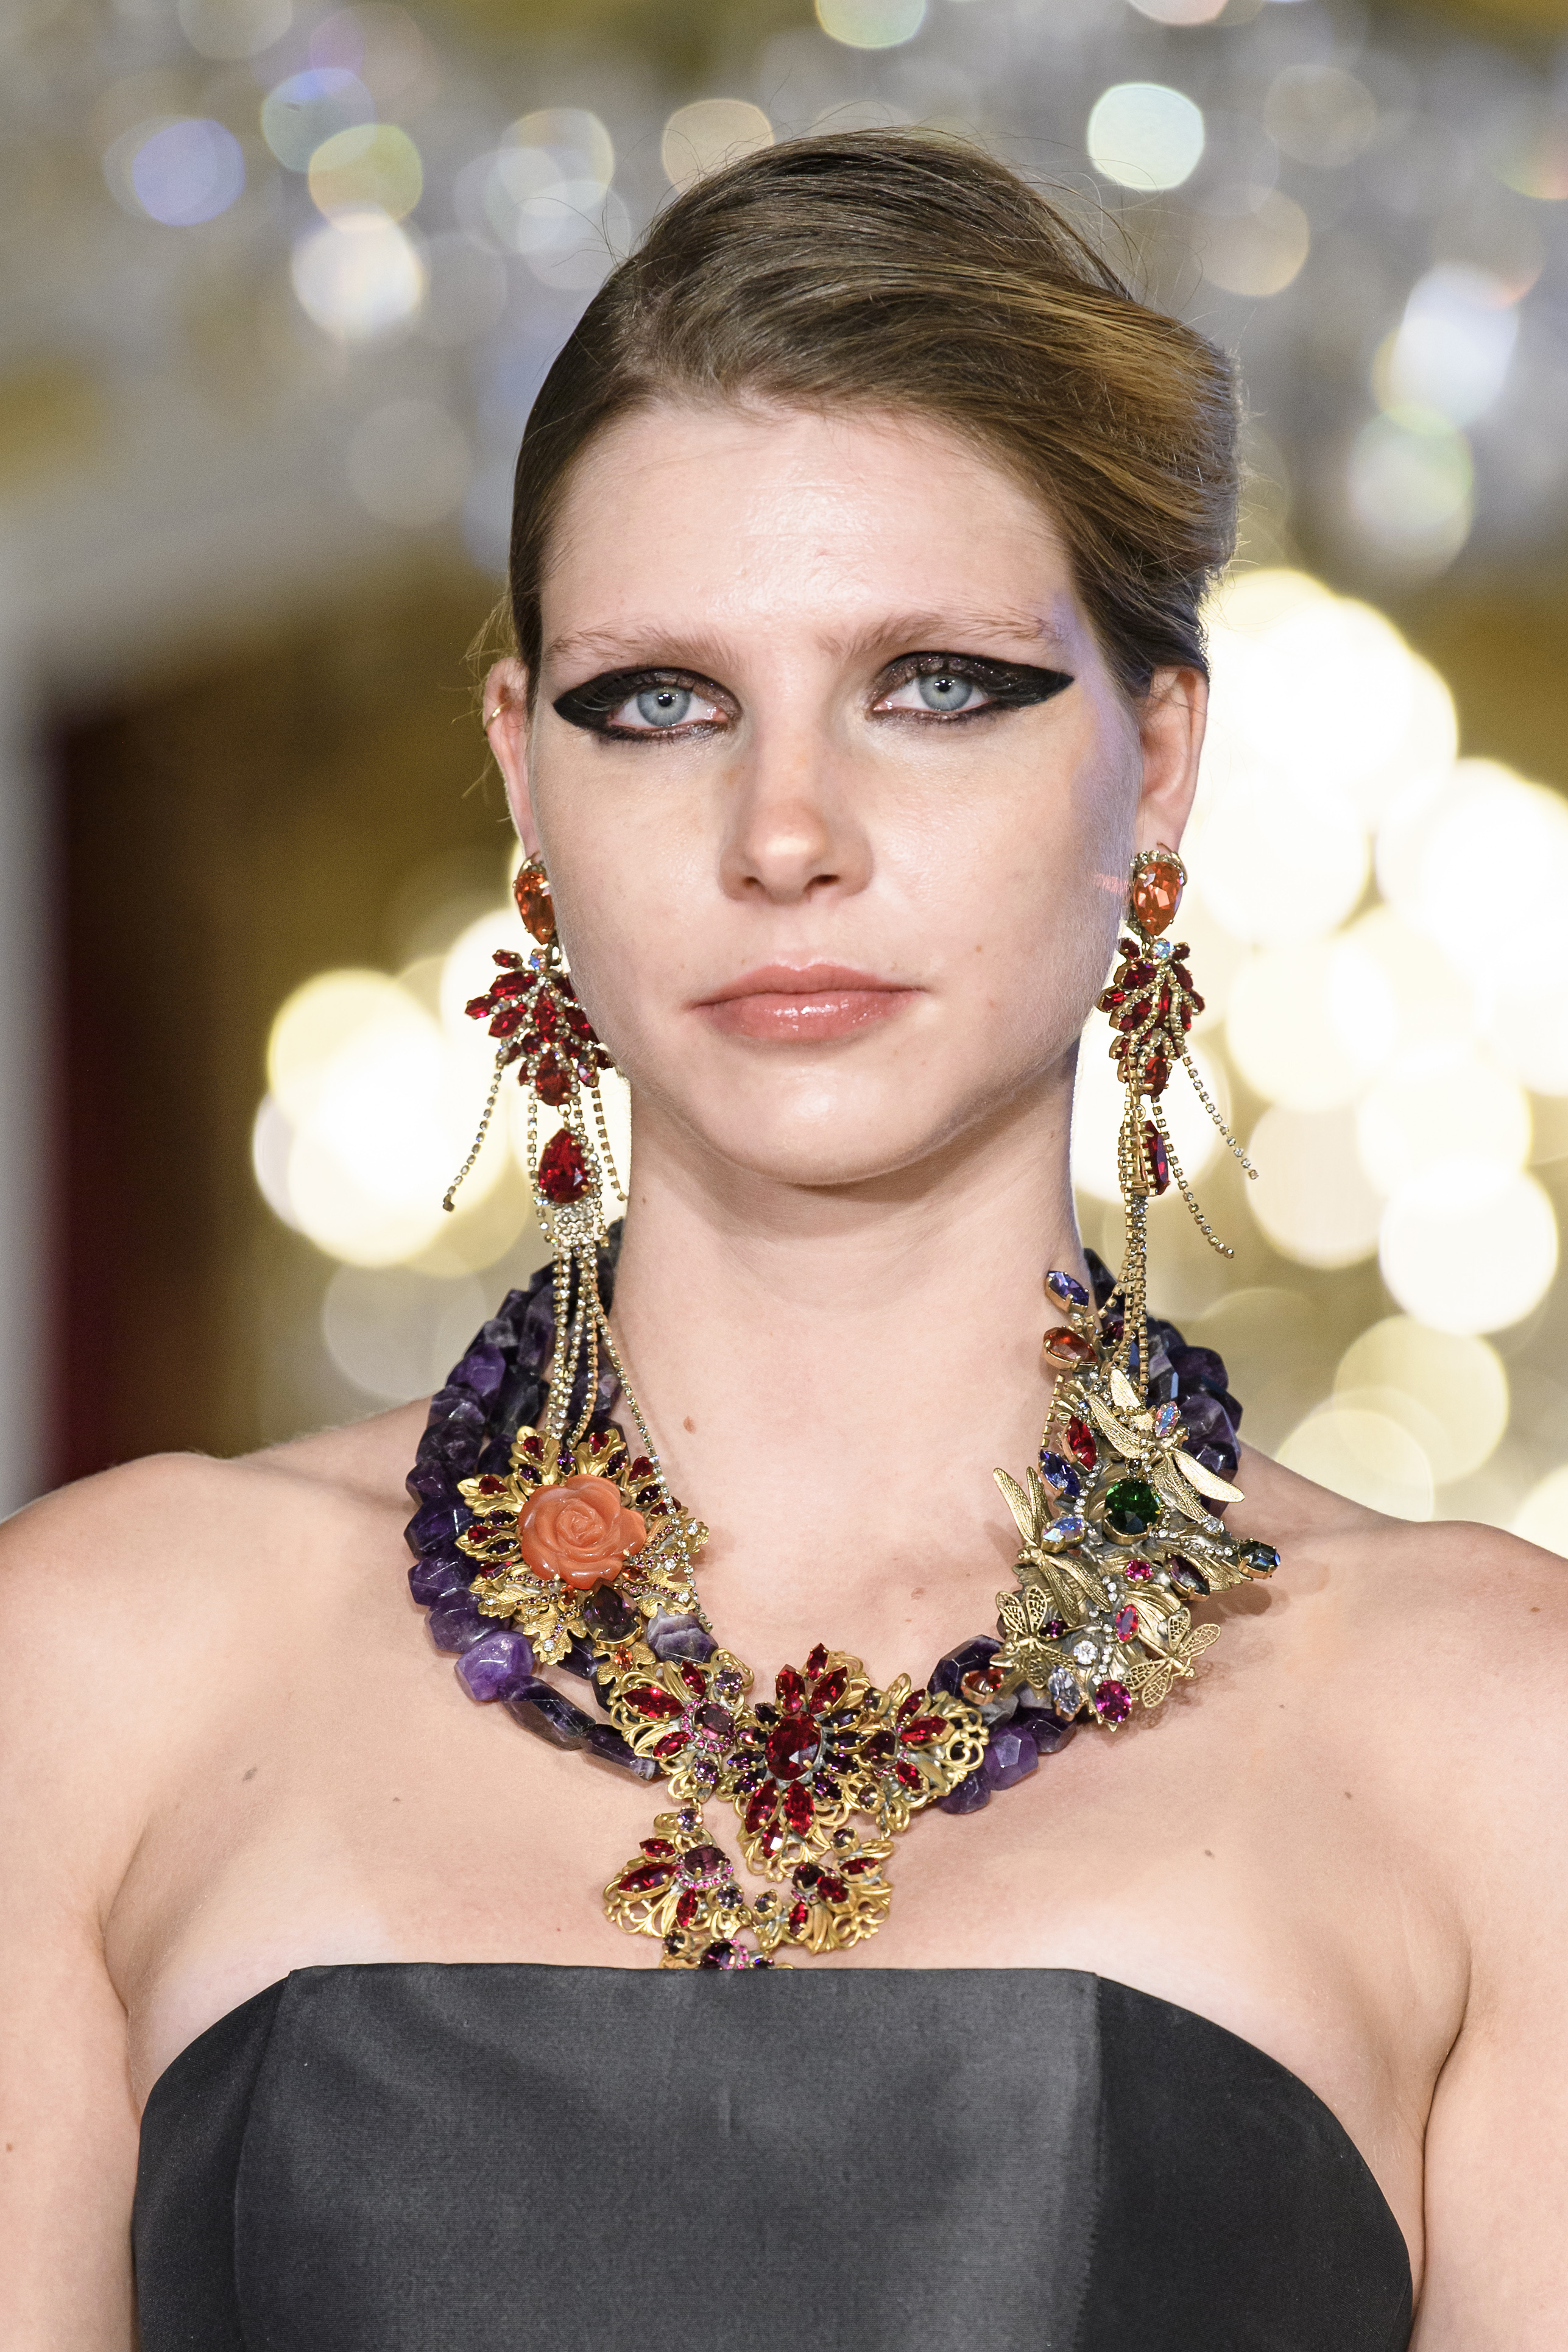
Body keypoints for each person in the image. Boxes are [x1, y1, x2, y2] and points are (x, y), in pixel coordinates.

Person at [1, 130, 1563, 2352]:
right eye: (660, 701)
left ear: (1161, 757)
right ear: (525, 773)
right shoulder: (100, 1672)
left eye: (935, 683)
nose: (786, 832)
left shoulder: (1494, 1734)